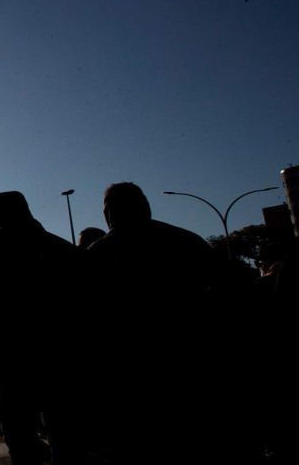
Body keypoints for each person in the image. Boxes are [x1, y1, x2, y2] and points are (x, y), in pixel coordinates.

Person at [85, 182, 248, 462]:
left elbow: (84, 319)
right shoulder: (187, 242)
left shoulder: (98, 255)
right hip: (191, 367)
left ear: (109, 212)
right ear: (146, 206)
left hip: (128, 374)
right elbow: (229, 296)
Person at [0, 192, 77, 464]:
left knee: (19, 434)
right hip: (58, 351)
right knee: (65, 431)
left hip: (8, 353)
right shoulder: (61, 247)